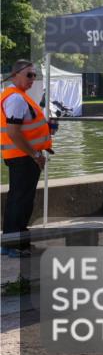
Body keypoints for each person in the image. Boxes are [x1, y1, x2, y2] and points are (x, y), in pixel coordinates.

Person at [1, 60, 53, 257]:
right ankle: (13, 245)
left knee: (19, 199)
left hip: (21, 156)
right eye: (29, 75)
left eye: (34, 75)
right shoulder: (16, 98)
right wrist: (36, 154)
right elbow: (14, 132)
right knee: (20, 201)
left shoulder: (17, 96)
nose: (33, 79)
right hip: (23, 157)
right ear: (15, 75)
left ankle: (13, 243)